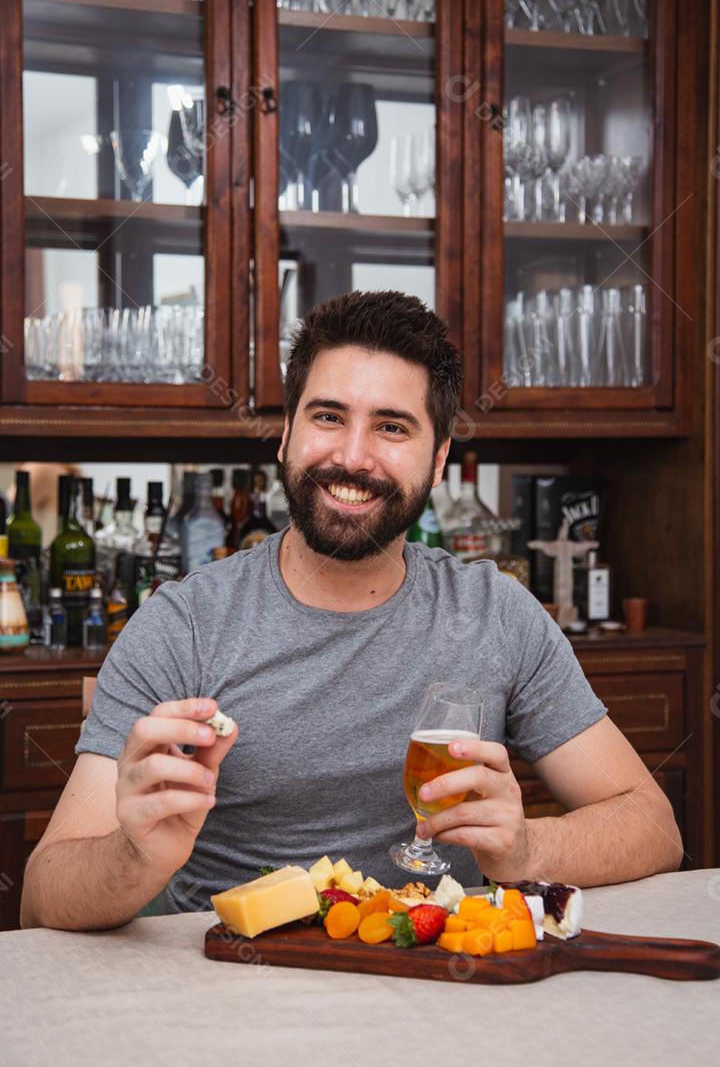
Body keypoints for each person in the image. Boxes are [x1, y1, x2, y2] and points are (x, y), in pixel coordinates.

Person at [20, 291, 682, 931]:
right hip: (235, 985)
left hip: (439, 975)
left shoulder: (496, 613)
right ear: (286, 435)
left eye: (391, 427)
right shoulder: (183, 625)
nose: (352, 457)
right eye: (328, 417)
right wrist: (136, 857)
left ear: (439, 460)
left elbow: (654, 826)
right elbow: (42, 897)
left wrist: (527, 849)